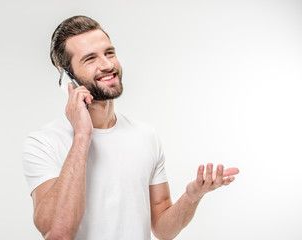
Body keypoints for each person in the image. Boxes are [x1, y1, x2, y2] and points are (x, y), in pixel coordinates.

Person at [22, 15, 239, 240]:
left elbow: (163, 230)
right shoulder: (43, 143)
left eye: (109, 53)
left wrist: (192, 196)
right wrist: (82, 134)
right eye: (90, 59)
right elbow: (59, 233)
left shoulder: (146, 136)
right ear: (67, 76)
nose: (107, 65)